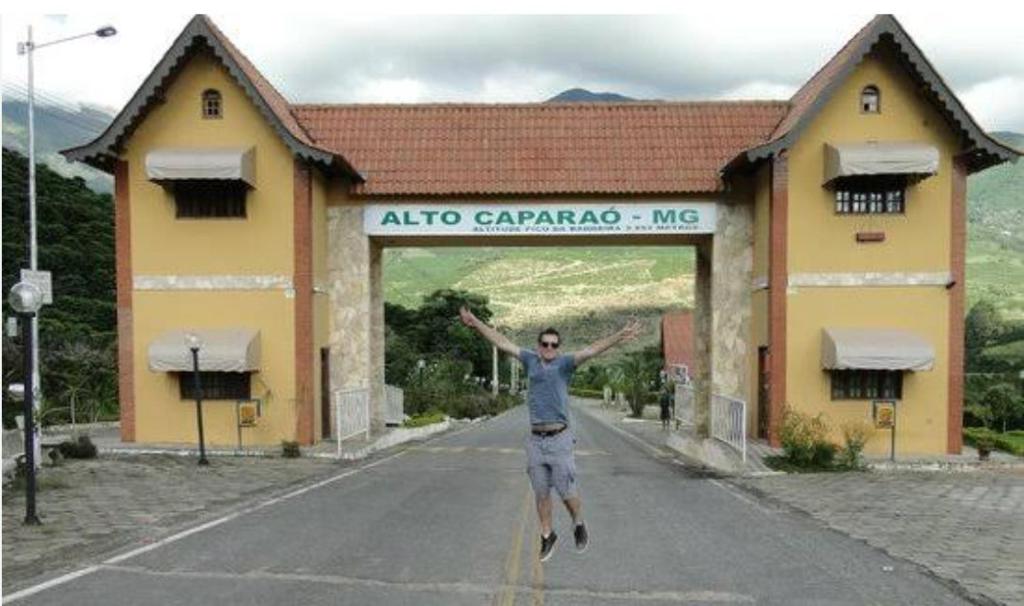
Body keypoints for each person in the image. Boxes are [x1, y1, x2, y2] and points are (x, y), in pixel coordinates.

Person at [459, 306, 642, 562]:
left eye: (553, 345)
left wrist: (620, 334)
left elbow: (592, 349)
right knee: (541, 493)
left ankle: (578, 523)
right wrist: (476, 322)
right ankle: (547, 536)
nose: (549, 348)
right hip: (536, 440)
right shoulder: (529, 359)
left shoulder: (565, 364)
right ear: (538, 345)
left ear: (558, 347)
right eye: (545, 344)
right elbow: (501, 342)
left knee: (566, 492)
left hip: (560, 439)